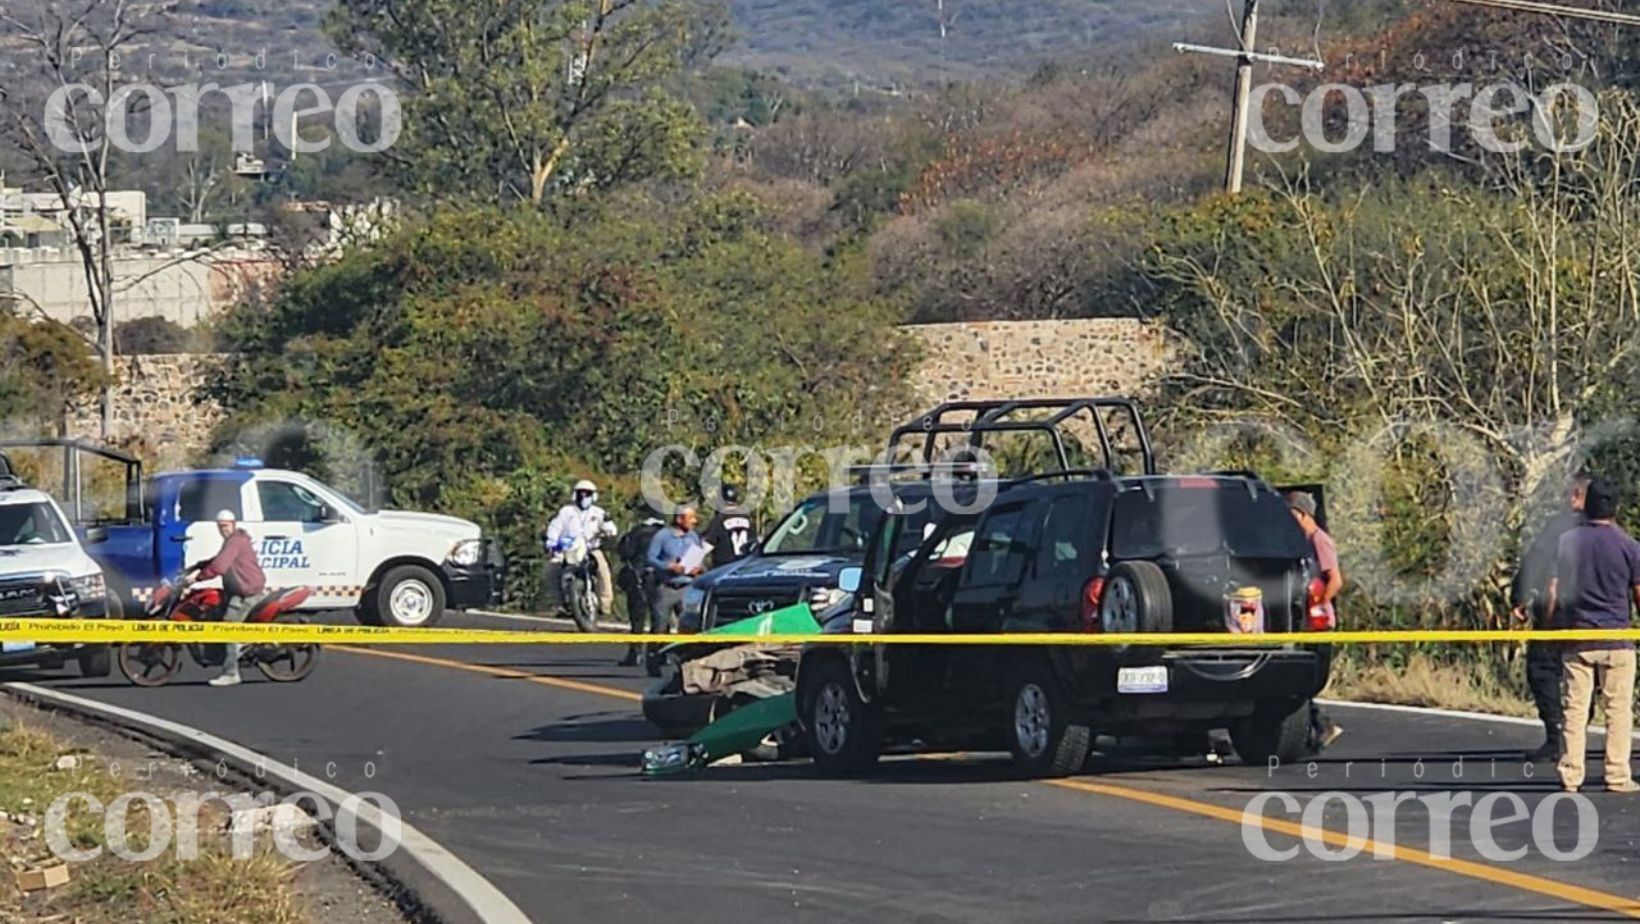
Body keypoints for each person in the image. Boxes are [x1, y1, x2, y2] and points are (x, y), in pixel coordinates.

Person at [1547, 478, 1640, 794]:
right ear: (1616, 508)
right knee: (1618, 710)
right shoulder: (1629, 545)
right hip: (1617, 638)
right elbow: (1639, 593)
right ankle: (1617, 775)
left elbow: (1555, 592)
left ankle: (1571, 775)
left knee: (1574, 708)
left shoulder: (1567, 542)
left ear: (1586, 506)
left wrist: (1552, 625)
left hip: (1580, 636)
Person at [1511, 474, 1590, 760]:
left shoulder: (1561, 526)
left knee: (1543, 669)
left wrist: (1519, 596)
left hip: (1557, 611)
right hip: (1600, 613)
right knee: (1588, 671)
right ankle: (1578, 730)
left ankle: (1557, 733)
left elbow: (1537, 558)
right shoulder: (1609, 530)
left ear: (1576, 496)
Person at [1288, 491, 1344, 750]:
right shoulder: (1301, 543)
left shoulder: (1320, 541)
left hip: (1320, 622)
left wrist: (1319, 603)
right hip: (1305, 623)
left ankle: (1323, 726)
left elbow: (1335, 579)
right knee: (1298, 682)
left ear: (1301, 514)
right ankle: (1317, 728)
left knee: (1307, 681)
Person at [187, 509, 266, 688]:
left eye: (226, 526)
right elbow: (218, 560)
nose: (224, 529)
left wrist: (197, 578)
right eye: (220, 526)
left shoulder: (235, 541)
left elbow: (220, 567)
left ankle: (231, 673)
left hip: (247, 591)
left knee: (228, 627)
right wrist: (197, 566)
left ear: (233, 524)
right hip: (239, 590)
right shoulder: (232, 541)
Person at [542, 480, 616, 621]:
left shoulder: (599, 512)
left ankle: (605, 604)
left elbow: (610, 527)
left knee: (603, 570)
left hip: (591, 548)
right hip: (569, 550)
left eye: (587, 494)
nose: (583, 497)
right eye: (580, 493)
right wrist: (552, 543)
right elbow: (554, 527)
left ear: (593, 496)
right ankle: (560, 604)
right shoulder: (566, 511)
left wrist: (608, 531)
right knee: (550, 571)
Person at [646, 506, 705, 652]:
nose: (694, 521)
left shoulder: (693, 537)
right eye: (691, 518)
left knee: (690, 627)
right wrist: (668, 566)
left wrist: (698, 568)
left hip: (687, 588)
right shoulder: (662, 536)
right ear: (679, 519)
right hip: (666, 588)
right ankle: (654, 659)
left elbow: (699, 557)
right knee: (659, 627)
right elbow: (650, 558)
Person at [615, 501, 667, 667]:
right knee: (660, 619)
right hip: (662, 579)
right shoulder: (669, 534)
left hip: (640, 578)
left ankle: (635, 653)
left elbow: (624, 552)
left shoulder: (637, 532)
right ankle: (661, 653)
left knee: (637, 619)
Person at [701, 484, 759, 571]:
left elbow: (706, 547)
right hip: (744, 567)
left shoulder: (719, 520)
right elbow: (755, 545)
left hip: (723, 569)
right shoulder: (748, 520)